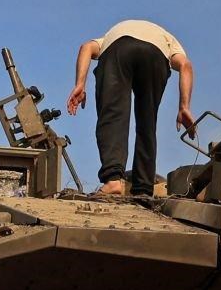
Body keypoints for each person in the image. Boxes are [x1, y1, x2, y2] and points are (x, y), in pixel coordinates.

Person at [63, 20, 197, 197]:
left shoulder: (110, 36)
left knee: (113, 114)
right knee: (147, 123)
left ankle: (112, 181)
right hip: (156, 54)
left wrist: (80, 84)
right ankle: (143, 188)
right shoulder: (168, 38)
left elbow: (86, 47)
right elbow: (185, 65)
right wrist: (184, 106)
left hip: (119, 47)